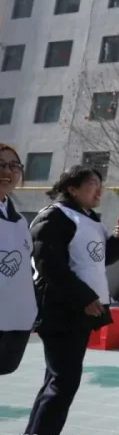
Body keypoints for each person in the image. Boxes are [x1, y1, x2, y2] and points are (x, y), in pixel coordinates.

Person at [19, 166, 119, 435]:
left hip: (79, 311)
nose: (99, 189)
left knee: (56, 383)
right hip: (61, 311)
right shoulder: (55, 217)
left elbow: (99, 259)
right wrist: (83, 296)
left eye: (100, 184)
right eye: (92, 183)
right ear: (72, 188)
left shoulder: (90, 219)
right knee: (62, 384)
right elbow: (48, 263)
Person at [0, 144, 36, 376]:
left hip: (15, 319)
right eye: (0, 164)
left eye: (14, 166)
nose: (7, 171)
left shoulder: (20, 221)